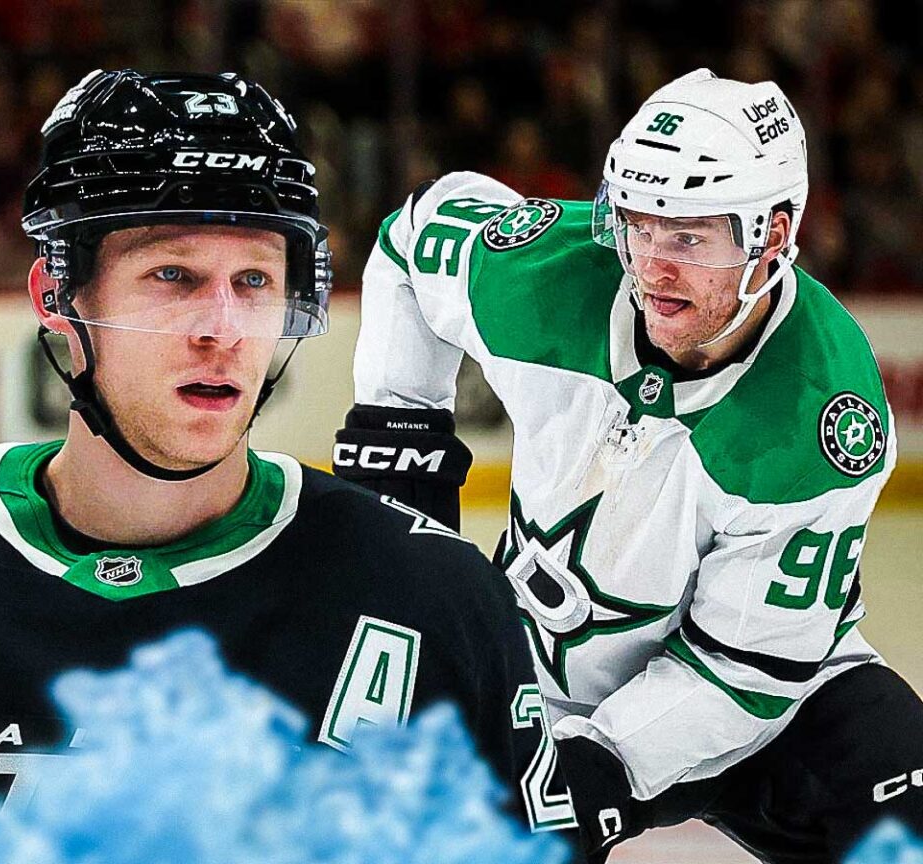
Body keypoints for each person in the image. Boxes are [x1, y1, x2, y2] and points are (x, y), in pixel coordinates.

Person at [0, 69, 562, 854]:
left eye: (256, 283)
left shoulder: (434, 598)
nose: (222, 329)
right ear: (57, 297)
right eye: (171, 275)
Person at [341, 67, 923, 862]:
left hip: (765, 702)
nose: (651, 266)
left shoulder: (821, 415)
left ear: (775, 235)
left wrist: (598, 767)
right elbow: (410, 243)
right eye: (638, 223)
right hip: (537, 678)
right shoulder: (546, 273)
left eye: (688, 237)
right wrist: (398, 434)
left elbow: (744, 672)